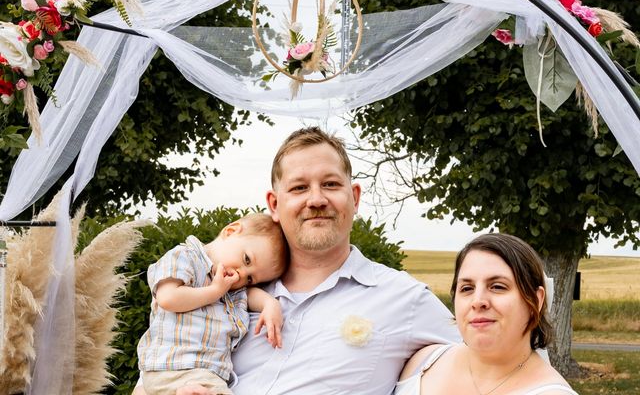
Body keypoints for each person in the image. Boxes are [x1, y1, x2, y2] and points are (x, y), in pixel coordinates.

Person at [135, 126, 460, 395]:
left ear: (355, 197)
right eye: (300, 187)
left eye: (330, 184)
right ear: (274, 204)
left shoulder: (403, 297)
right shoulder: (232, 290)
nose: (316, 199)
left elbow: (489, 355)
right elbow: (165, 365)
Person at [395, 233, 578, 395]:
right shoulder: (422, 363)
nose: (478, 301)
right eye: (467, 288)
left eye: (498, 286)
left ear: (536, 301)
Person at [137, 213, 288, 395]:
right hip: (170, 364)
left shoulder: (231, 289)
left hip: (206, 374)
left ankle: (186, 391)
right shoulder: (185, 256)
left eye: (250, 278)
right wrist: (214, 291)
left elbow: (249, 295)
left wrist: (270, 304)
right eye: (246, 259)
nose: (241, 275)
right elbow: (168, 298)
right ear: (231, 231)